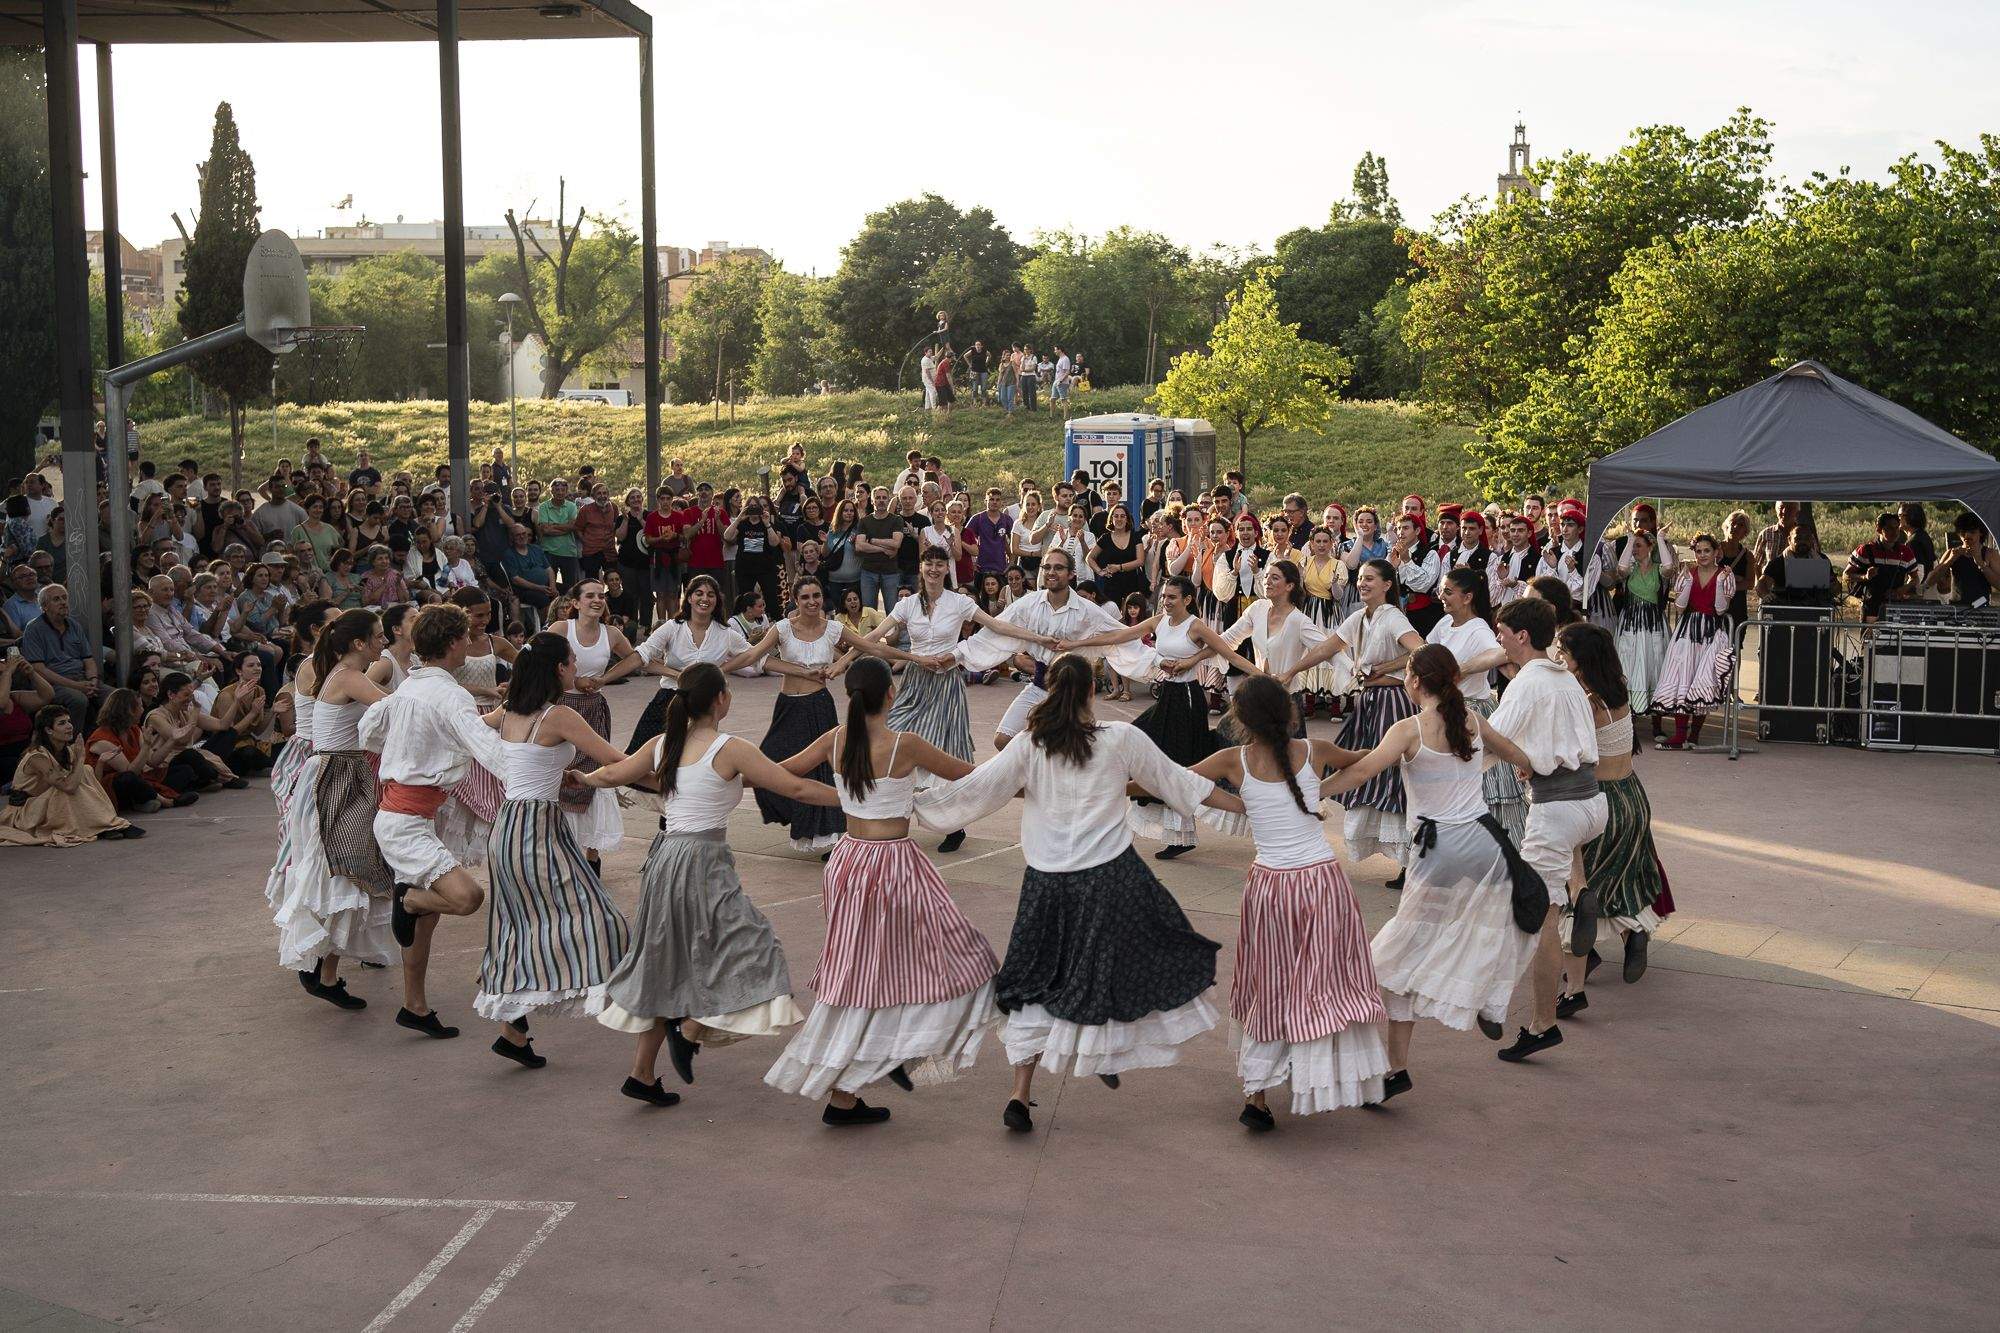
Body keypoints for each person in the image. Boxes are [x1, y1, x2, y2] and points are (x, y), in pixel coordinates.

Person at [915, 654, 1245, 1133]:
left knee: (1034, 975)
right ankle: (1102, 1049)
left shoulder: (1031, 744)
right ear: (1094, 690)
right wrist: (1251, 808)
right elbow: (1183, 784)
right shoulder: (1120, 738)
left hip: (1047, 881)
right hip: (1110, 878)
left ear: (1050, 690)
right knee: (1136, 954)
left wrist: (911, 803)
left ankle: (1020, 1092)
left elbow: (978, 787)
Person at [581, 663, 839, 1108]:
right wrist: (858, 800)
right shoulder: (729, 747)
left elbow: (613, 774)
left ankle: (642, 1073)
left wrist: (581, 778)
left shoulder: (664, 744)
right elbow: (795, 788)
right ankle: (691, 1029)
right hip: (701, 860)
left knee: (668, 960)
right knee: (755, 943)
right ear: (721, 698)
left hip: (664, 859)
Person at [763, 657, 998, 1124]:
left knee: (862, 969)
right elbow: (971, 776)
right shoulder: (903, 744)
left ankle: (851, 1085)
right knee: (951, 954)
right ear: (890, 695)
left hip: (848, 862)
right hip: (892, 863)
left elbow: (784, 776)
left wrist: (717, 766)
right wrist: (1034, 775)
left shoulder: (834, 740)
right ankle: (878, 1060)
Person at [1325, 645, 1540, 1082]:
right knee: (1498, 925)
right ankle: (1491, 1000)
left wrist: (1310, 793)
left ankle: (1397, 1066)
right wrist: (1524, 769)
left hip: (1439, 849)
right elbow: (1518, 754)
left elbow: (1362, 772)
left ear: (1415, 680)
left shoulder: (1409, 730)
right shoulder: (1472, 721)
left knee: (1402, 953)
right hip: (1484, 844)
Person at [1179, 678, 1386, 1129]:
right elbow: (1369, 763)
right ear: (1290, 713)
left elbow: (1177, 782)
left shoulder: (1234, 760)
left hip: (1271, 888)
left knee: (1269, 986)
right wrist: (1322, 791)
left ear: (1240, 719)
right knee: (1329, 983)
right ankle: (1332, 1074)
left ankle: (1257, 1094)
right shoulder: (1316, 749)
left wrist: (1237, 807)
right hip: (1323, 884)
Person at [475, 633, 635, 1069]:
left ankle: (514, 1030)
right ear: (557, 670)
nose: (575, 670)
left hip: (509, 827)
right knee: (598, 917)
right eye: (571, 662)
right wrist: (668, 772)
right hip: (535, 828)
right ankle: (643, 1006)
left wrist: (554, 774)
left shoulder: (507, 711)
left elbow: (473, 732)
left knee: (518, 924)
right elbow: (615, 760)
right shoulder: (558, 715)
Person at [360, 604, 514, 1040]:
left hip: (410, 814)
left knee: (430, 920)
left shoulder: (411, 688)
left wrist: (412, 754)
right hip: (406, 820)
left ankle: (415, 1005)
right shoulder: (450, 695)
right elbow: (490, 752)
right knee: (466, 898)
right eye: (465, 636)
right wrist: (538, 779)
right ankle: (408, 900)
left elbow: (369, 731)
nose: (470, 642)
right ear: (451, 643)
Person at [861, 547, 1054, 854]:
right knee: (894, 742)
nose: (934, 569)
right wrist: (842, 659)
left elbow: (996, 625)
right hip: (913, 683)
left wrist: (1037, 638)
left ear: (945, 569)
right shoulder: (907, 604)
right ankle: (892, 816)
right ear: (921, 568)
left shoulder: (959, 602)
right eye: (929, 564)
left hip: (946, 683)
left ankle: (954, 826)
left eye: (939, 564)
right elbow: (873, 637)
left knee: (942, 751)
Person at [1485, 597, 1608, 1063]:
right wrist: (1530, 762)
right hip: (1590, 803)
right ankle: (1580, 901)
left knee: (1539, 919)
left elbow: (1489, 740)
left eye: (1502, 632)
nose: (1498, 640)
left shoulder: (1527, 683)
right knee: (1534, 907)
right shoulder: (1564, 678)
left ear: (1521, 636)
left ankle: (1541, 1023)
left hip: (1557, 811)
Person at [727, 576, 931, 854]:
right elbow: (754, 656)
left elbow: (872, 646)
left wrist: (916, 658)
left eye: (816, 596)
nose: (812, 602)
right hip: (788, 706)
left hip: (819, 705)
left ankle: (827, 837)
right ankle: (796, 815)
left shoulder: (833, 628)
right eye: (805, 597)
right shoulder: (782, 628)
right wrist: (715, 670)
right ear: (796, 601)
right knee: (772, 762)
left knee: (823, 771)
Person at [275, 609, 398, 1012]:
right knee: (342, 872)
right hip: (337, 776)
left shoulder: (347, 673)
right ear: (359, 643)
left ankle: (323, 971)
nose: (383, 643)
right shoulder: (347, 676)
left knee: (347, 872)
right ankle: (320, 970)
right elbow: (399, 711)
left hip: (344, 772)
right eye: (379, 637)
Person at [1284, 560, 1427, 881]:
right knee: (1364, 769)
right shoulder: (1360, 617)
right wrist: (1292, 671)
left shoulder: (1392, 617)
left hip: (1393, 702)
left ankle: (1410, 861)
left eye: (1370, 579)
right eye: (1360, 579)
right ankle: (1403, 858)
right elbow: (1325, 648)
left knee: (1392, 776)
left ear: (1388, 585)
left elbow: (1421, 650)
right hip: (1369, 702)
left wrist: (1384, 667)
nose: (1362, 584)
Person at [1563, 624, 1670, 997]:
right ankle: (1633, 933)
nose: (1559, 657)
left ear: (1582, 659)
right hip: (1632, 796)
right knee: (1620, 877)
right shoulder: (1617, 687)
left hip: (1600, 799)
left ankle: (1586, 954)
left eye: (1564, 651)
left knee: (1579, 882)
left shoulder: (1587, 701)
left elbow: (1573, 755)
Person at [954, 549, 1137, 753]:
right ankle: (1038, 774)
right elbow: (997, 628)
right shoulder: (1030, 603)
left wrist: (1076, 644)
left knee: (1068, 750)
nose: (1052, 572)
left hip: (1071, 692)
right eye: (1047, 567)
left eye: (1059, 568)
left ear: (1071, 574)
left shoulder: (1087, 610)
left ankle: (1051, 776)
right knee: (1003, 740)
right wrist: (957, 655)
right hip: (1039, 684)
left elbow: (1120, 635)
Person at [544, 583, 640, 864]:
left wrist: (603, 679)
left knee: (593, 770)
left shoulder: (611, 633)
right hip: (562, 707)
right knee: (561, 771)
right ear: (576, 602)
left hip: (593, 709)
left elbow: (634, 658)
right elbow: (540, 661)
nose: (597, 600)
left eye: (601, 596)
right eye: (590, 596)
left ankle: (591, 854)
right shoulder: (562, 629)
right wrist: (574, 681)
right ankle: (561, 848)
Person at [1425, 566, 1524, 839]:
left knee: (1477, 786)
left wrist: (1463, 670)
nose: (1441, 596)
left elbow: (1502, 653)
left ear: (1467, 597)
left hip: (1470, 711)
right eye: (1441, 590)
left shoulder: (1478, 628)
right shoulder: (1444, 623)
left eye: (1448, 591)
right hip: (1443, 710)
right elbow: (1425, 651)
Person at [614, 574, 751, 751]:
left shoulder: (725, 633)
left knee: (693, 759)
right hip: (670, 699)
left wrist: (720, 670)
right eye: (699, 593)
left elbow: (754, 655)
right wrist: (678, 675)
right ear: (689, 598)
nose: (705, 599)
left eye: (710, 594)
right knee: (642, 753)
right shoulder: (673, 627)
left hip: (704, 704)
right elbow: (643, 655)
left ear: (717, 600)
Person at [0, 705, 138, 846]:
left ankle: (103, 825)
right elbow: (70, 787)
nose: (69, 726)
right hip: (26, 811)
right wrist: (80, 758)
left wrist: (101, 762)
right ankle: (104, 825)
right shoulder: (37, 757)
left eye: (69, 721)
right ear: (48, 730)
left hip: (47, 803)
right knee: (64, 790)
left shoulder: (66, 751)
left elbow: (92, 784)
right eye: (62, 723)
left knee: (85, 771)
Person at [1653, 533, 1739, 750]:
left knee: (1702, 680)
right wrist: (1689, 581)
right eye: (1698, 551)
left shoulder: (1725, 576)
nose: (1702, 555)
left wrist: (1719, 583)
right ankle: (1680, 735)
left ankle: (1694, 736)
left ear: (1716, 552)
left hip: (1711, 632)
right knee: (1682, 676)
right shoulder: (1688, 574)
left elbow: (1721, 609)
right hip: (1688, 630)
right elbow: (1680, 607)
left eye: (1707, 551)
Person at [1611, 528, 1671, 744]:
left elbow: (1669, 567)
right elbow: (1621, 567)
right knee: (1629, 667)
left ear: (1649, 547)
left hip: (1653, 624)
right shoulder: (1630, 570)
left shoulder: (1658, 570)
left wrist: (1661, 540)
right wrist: (1628, 541)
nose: (1635, 550)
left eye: (1639, 545)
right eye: (1634, 546)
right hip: (1630, 624)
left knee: (1654, 666)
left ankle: (1657, 724)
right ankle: (1630, 724)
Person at [1845, 511, 1919, 621]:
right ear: (1879, 529)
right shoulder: (1865, 550)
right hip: (1871, 608)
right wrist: (1865, 577)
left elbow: (1915, 578)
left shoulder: (1906, 552)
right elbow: (1846, 575)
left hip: (1895, 609)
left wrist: (1901, 590)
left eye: (1897, 528)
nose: (1895, 532)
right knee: (1869, 638)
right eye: (1889, 528)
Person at [1930, 513, 2000, 608]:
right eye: (1963, 532)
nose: (1967, 536)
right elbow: (1930, 582)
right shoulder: (1952, 553)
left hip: (1981, 607)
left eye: (1972, 532)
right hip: (1956, 608)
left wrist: (1982, 565)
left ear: (1981, 532)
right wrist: (1950, 560)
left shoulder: (1990, 554)